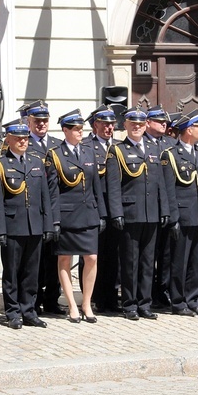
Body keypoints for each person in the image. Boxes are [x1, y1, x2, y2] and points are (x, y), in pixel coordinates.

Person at [0, 119, 54, 329]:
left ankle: (29, 310)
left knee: (31, 272)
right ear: (8, 139)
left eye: (25, 138)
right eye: (18, 138)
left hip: (34, 225)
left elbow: (45, 198)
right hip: (12, 226)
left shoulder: (36, 162)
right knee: (12, 273)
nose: (23, 142)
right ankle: (13, 312)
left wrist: (48, 225)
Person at [106, 106, 170, 321]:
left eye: (140, 124)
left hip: (151, 213)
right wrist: (116, 213)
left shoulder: (153, 149)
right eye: (133, 124)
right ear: (125, 125)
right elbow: (114, 186)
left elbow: (160, 183)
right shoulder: (118, 151)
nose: (136, 127)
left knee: (147, 261)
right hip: (130, 212)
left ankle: (145, 303)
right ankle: (130, 304)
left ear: (145, 126)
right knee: (130, 262)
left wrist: (164, 210)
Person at [45, 109, 106, 323]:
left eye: (81, 128)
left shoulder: (89, 152)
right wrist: (54, 220)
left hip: (88, 212)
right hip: (67, 215)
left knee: (91, 258)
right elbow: (52, 191)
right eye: (76, 129)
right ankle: (72, 304)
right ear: (65, 130)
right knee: (64, 258)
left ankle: (86, 303)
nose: (80, 132)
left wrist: (102, 213)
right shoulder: (55, 154)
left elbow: (96, 186)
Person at [161, 109, 198, 317]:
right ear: (188, 130)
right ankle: (178, 301)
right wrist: (173, 217)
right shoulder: (172, 155)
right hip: (183, 216)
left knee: (197, 262)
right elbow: (169, 189)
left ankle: (193, 299)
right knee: (180, 262)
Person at [22, 100, 65, 315]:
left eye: (44, 120)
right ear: (28, 122)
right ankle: (34, 299)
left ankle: (52, 300)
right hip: (35, 209)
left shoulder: (58, 144)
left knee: (54, 258)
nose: (41, 124)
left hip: (56, 208)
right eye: (37, 121)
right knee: (36, 261)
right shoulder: (23, 142)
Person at [83, 105, 120, 313]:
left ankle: (111, 296)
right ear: (95, 125)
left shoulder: (121, 146)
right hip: (94, 207)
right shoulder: (87, 146)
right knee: (91, 255)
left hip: (115, 208)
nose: (108, 128)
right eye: (104, 124)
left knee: (113, 254)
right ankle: (92, 296)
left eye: (111, 124)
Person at [144, 105, 176, 310]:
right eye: (158, 120)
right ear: (148, 123)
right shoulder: (142, 143)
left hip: (168, 206)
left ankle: (163, 290)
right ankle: (146, 293)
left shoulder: (171, 144)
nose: (163, 123)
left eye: (164, 121)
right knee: (149, 255)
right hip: (147, 207)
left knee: (166, 253)